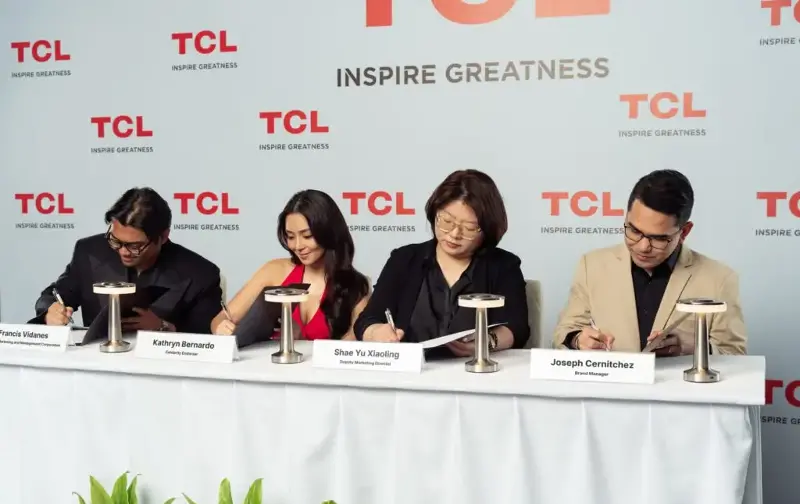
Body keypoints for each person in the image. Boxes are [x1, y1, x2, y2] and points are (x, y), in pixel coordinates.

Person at [552, 169, 747, 355]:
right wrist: (577, 340)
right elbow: (563, 334)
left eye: (659, 238)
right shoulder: (592, 265)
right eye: (634, 231)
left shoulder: (719, 279)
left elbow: (734, 354)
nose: (643, 246)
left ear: (684, 232)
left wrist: (691, 348)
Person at [353, 169, 530, 357]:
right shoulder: (404, 259)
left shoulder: (504, 266)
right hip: (412, 367)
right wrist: (376, 332)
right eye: (446, 221)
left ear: (487, 229)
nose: (454, 234)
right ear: (434, 213)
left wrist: (487, 342)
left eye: (469, 228)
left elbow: (517, 328)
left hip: (474, 368)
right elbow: (367, 320)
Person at [31, 187, 223, 333]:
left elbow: (209, 335)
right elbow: (54, 295)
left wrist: (164, 328)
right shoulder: (90, 252)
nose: (123, 251)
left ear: (163, 237)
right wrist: (51, 311)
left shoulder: (200, 273)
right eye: (115, 241)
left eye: (135, 245)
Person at [212, 189, 370, 340]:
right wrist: (220, 326)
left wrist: (301, 341)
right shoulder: (274, 271)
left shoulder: (356, 286)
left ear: (328, 233)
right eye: (291, 236)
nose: (298, 246)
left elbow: (350, 346)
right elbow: (223, 317)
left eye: (307, 236)